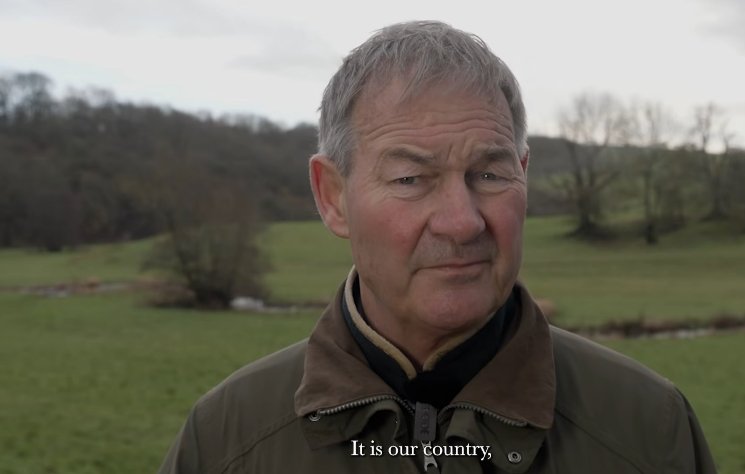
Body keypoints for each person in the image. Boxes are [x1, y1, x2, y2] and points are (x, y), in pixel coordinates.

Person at [159, 21, 716, 473]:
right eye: (410, 179)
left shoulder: (650, 428)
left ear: (523, 174)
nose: (461, 222)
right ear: (333, 198)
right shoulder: (227, 440)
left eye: (490, 174)